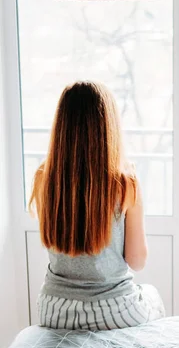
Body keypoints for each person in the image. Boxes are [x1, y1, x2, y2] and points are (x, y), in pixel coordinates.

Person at [29, 81, 165, 331]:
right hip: (114, 310)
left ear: (61, 126)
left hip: (54, 311)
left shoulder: (44, 178)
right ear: (108, 126)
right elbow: (137, 261)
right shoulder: (125, 182)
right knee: (153, 296)